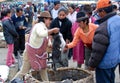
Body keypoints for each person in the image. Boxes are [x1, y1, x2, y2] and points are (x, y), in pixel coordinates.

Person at [11, 11, 59, 81]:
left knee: (43, 70)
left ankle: (46, 82)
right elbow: (41, 34)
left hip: (38, 54)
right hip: (30, 54)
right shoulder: (38, 26)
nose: (50, 21)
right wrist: (52, 30)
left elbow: (46, 37)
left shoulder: (43, 27)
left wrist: (49, 43)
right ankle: (12, 81)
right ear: (45, 19)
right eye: (49, 19)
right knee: (23, 72)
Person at [88, 0, 120, 83]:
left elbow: (98, 50)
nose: (98, 14)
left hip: (104, 63)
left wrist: (92, 64)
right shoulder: (118, 19)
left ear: (102, 11)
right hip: (115, 59)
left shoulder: (103, 27)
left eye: (98, 11)